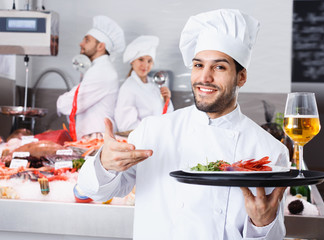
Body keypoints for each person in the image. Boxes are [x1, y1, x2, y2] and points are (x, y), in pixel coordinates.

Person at [77, 9, 289, 240]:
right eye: (198, 65)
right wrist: (104, 164)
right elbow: (94, 192)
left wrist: (262, 224)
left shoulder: (269, 151)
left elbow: (273, 236)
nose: (204, 78)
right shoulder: (153, 130)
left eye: (219, 67)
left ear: (241, 77)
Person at [57, 15, 125, 140]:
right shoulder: (96, 69)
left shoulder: (102, 72)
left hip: (96, 138)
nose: (81, 43)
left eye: (87, 40)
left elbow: (68, 105)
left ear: (100, 46)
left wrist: (61, 100)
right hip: (92, 137)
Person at [114, 35, 174, 133]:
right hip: (142, 140)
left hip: (159, 135)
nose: (145, 65)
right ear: (132, 61)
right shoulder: (128, 88)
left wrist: (167, 100)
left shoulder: (155, 84)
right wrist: (153, 132)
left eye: (149, 61)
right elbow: (126, 126)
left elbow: (168, 115)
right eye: (141, 59)